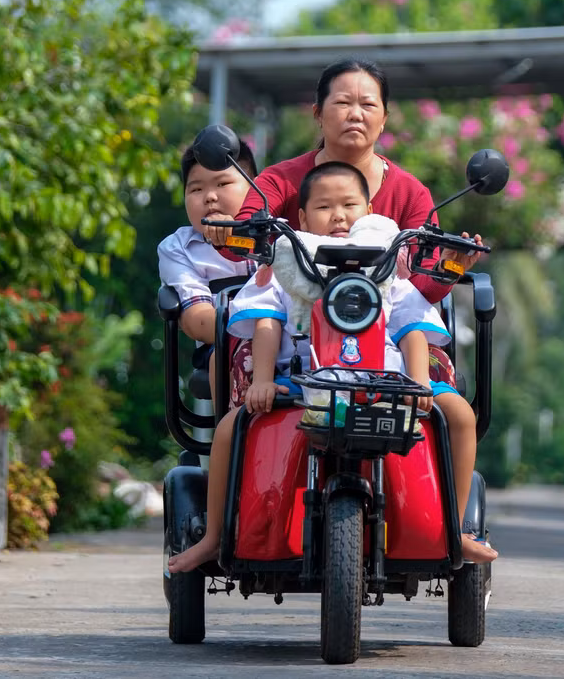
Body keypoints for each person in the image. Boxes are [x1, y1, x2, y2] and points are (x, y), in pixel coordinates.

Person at [167, 162, 498, 574]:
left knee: (462, 416)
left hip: (390, 383)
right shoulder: (285, 267)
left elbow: (413, 326)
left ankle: (457, 529)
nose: (339, 215)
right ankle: (215, 536)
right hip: (300, 380)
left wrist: (418, 384)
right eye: (324, 206)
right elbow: (267, 324)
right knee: (230, 428)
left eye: (349, 205)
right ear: (302, 218)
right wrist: (264, 380)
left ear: (371, 211)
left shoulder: (387, 269)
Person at [226, 57, 482, 304]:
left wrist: (449, 268)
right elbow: (241, 239)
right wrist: (226, 232)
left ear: (384, 120)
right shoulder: (278, 179)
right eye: (343, 103)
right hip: (293, 328)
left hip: (389, 334)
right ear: (318, 114)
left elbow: (422, 289)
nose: (356, 115)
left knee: (431, 350)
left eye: (368, 105)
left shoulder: (411, 194)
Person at [156, 140, 259, 396]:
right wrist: (264, 333)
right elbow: (198, 322)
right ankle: (232, 431)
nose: (210, 196)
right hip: (222, 347)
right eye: (196, 189)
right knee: (236, 361)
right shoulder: (178, 248)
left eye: (223, 184)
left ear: (256, 187)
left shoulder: (279, 234)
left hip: (291, 344)